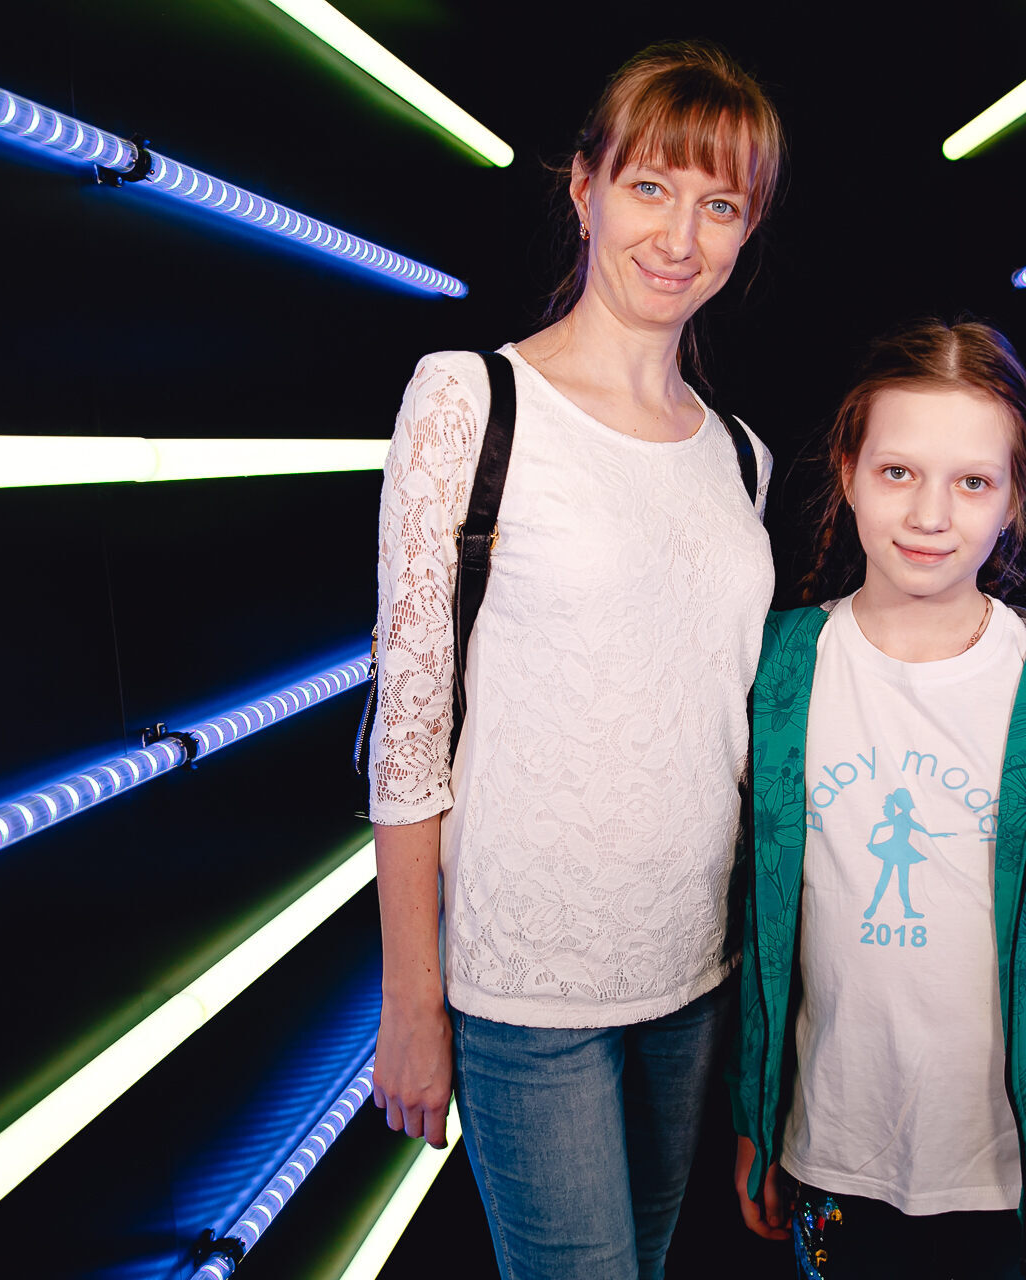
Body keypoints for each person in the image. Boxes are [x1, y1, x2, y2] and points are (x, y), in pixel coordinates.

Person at [367, 41, 786, 1280]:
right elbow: (410, 727)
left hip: (693, 972)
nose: (680, 236)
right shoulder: (471, 401)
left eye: (721, 204)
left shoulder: (742, 455)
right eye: (651, 186)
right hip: (525, 984)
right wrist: (410, 999)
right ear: (583, 187)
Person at [728, 320, 1026, 1280]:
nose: (930, 514)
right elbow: (756, 919)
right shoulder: (779, 667)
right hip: (835, 1155)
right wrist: (758, 1118)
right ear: (848, 471)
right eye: (899, 471)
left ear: (1014, 497)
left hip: (1018, 1183)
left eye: (973, 482)